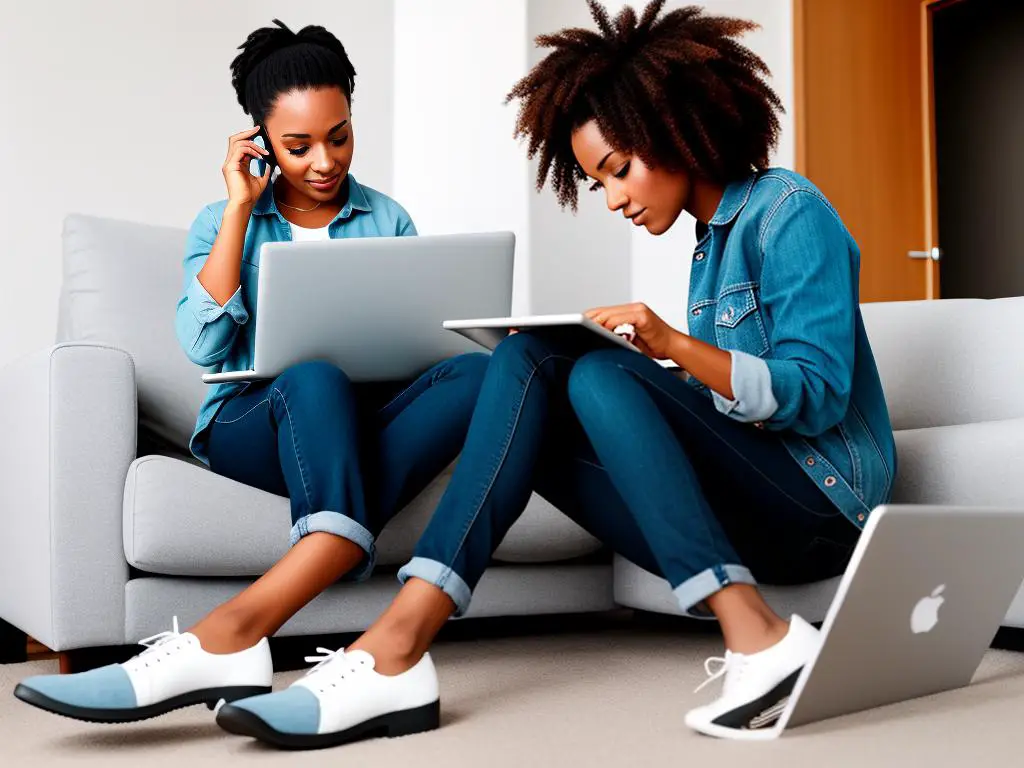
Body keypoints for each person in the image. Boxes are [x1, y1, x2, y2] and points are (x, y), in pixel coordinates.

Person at [201, 1, 895, 747]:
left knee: (600, 377)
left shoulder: (787, 210)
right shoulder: (707, 250)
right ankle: (400, 646)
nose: (615, 198)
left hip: (823, 507)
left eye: (619, 170)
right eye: (599, 182)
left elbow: (815, 395)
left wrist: (669, 345)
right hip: (748, 513)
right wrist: (665, 364)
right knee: (527, 364)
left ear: (679, 131)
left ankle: (402, 646)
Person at [14, 19, 488, 725]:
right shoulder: (221, 219)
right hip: (255, 424)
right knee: (312, 375)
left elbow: (413, 339)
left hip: (357, 427)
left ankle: (271, 598)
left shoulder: (387, 219)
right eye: (297, 146)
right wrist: (241, 207)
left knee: (483, 374)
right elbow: (203, 346)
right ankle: (295, 580)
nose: (324, 161)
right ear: (260, 140)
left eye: (340, 136)